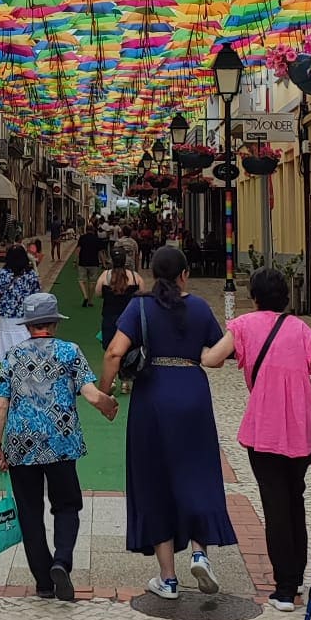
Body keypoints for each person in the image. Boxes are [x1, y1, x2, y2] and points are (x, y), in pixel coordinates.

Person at [102, 246, 236, 598]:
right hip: (193, 394)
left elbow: (115, 351)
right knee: (198, 471)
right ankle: (200, 554)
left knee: (154, 480)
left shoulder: (140, 306)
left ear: (151, 272)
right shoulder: (199, 307)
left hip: (152, 397)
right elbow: (216, 357)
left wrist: (105, 393)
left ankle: (168, 578)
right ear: (185, 274)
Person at [206, 266, 311, 610]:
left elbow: (213, 359)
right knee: (295, 499)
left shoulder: (244, 325)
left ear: (256, 297)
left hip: (264, 428)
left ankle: (284, 588)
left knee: (275, 505)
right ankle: (297, 577)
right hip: (302, 428)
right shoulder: (301, 328)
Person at [0, 290, 118, 600]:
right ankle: (62, 560)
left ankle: (44, 582)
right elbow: (90, 394)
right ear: (54, 323)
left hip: (21, 444)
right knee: (67, 506)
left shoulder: (14, 356)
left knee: (30, 512)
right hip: (61, 442)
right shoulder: (69, 351)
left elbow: (0, 405)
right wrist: (108, 404)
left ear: (28, 325)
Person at [0, 245, 41, 359]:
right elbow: (37, 295)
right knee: (25, 339)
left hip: (5, 314)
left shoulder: (1, 273)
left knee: (6, 343)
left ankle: (8, 367)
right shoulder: (31, 274)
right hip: (26, 314)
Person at [95, 244, 144, 362]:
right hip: (130, 319)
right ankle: (126, 377)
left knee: (110, 350)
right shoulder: (135, 276)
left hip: (110, 318)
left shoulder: (105, 276)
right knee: (128, 349)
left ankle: (111, 378)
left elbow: (98, 293)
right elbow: (142, 294)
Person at [76, 222, 105, 307]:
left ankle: (85, 296)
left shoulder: (82, 238)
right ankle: (90, 300)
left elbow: (78, 250)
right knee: (92, 282)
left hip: (83, 262)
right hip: (94, 263)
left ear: (86, 230)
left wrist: (75, 261)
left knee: (81, 280)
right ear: (93, 230)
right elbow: (100, 253)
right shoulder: (97, 239)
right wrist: (103, 263)